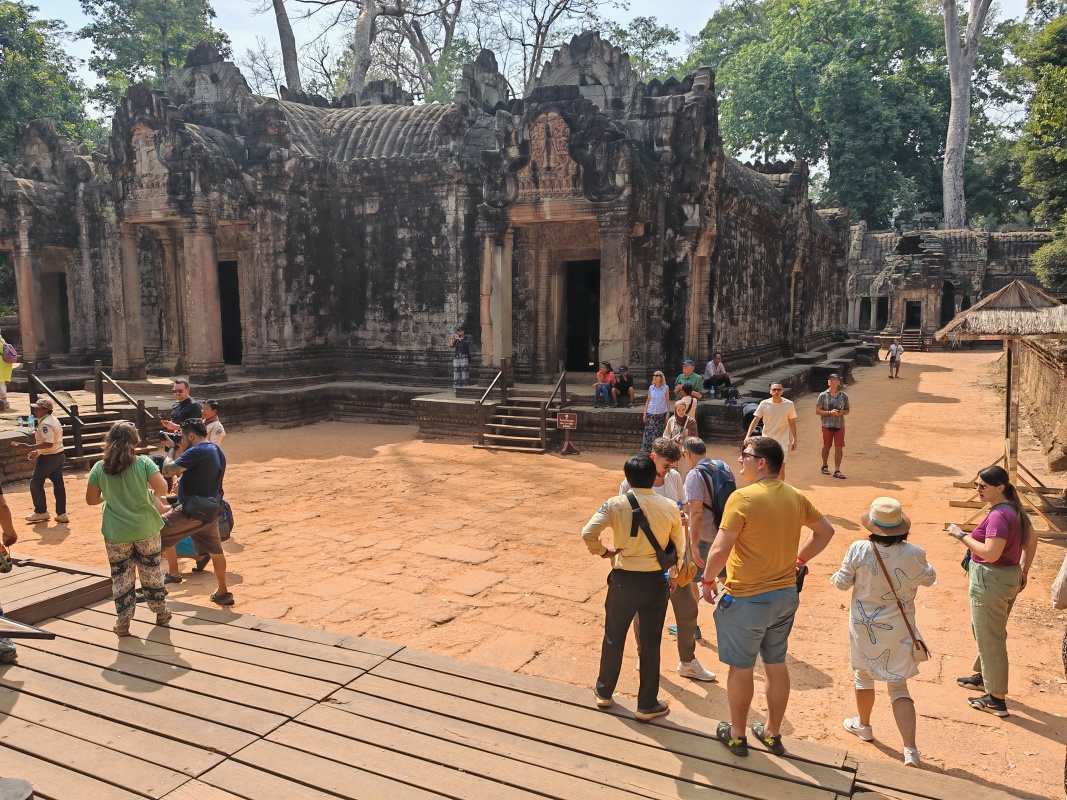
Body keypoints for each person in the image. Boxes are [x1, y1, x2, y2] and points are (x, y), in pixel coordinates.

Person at [700, 436, 834, 757]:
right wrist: (799, 560)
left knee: (741, 668)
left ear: (761, 463)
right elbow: (825, 532)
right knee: (776, 664)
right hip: (784, 595)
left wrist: (706, 579)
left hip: (747, 597)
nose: (740, 461)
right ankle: (772, 733)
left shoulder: (742, 498)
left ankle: (737, 734)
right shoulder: (795, 496)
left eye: (745, 456)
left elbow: (720, 548)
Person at [832, 497, 936, 767]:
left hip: (865, 629)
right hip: (900, 629)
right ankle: (910, 749)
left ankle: (864, 725)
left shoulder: (859, 549)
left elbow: (842, 584)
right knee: (898, 686)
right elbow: (929, 577)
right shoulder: (915, 553)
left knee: (863, 677)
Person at [584, 454, 685, 720]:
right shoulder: (669, 506)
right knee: (650, 643)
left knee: (613, 636)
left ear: (626, 478)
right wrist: (674, 576)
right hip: (654, 581)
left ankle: (604, 692)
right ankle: (647, 703)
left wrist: (603, 552)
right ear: (655, 477)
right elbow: (679, 548)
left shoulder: (615, 504)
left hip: (623, 579)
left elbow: (587, 533)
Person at [619, 438, 716, 682]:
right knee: (645, 613)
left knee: (688, 610)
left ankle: (688, 660)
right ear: (653, 457)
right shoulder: (629, 484)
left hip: (675, 555)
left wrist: (681, 518)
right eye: (665, 465)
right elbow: (624, 520)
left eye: (672, 465)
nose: (668, 470)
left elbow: (681, 505)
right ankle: (644, 655)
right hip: (647, 560)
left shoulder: (673, 478)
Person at [948, 464, 1037, 718]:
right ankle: (984, 676)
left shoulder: (999, 515)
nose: (978, 490)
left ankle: (996, 698)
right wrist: (1024, 570)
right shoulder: (1015, 510)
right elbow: (1032, 541)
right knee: (987, 630)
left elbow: (990, 552)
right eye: (976, 485)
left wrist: (960, 535)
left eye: (982, 486)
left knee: (990, 636)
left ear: (1000, 487)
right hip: (1007, 577)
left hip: (991, 579)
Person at [85, 422, 172, 636]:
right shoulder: (143, 463)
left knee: (121, 576)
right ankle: (161, 613)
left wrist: (111, 495)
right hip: (146, 527)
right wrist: (142, 491)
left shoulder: (99, 467)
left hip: (116, 531)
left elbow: (91, 500)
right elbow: (162, 489)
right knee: (151, 571)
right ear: (135, 442)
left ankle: (123, 622)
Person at [160, 419, 233, 606]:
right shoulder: (214, 450)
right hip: (210, 510)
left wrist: (170, 449)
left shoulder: (197, 451)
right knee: (216, 552)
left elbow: (168, 470)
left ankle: (153, 590)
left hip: (192, 511)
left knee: (154, 534)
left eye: (183, 437)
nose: (181, 440)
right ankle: (223, 592)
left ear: (191, 436)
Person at [16, 397, 68, 524]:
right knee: (58, 484)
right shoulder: (52, 419)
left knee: (36, 483)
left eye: (38, 408)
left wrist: (32, 447)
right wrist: (38, 451)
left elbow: (48, 443)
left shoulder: (45, 424)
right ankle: (61, 514)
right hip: (58, 454)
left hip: (49, 457)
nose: (35, 410)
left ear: (44, 410)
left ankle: (41, 511)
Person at [745, 384, 797, 479]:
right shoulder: (764, 404)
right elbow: (755, 421)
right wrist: (747, 435)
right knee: (765, 467)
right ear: (770, 391)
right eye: (774, 390)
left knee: (781, 468)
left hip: (782, 441)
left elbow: (792, 422)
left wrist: (795, 439)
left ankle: (780, 489)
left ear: (782, 391)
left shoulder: (789, 404)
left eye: (778, 390)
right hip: (767, 441)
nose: (776, 392)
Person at [816, 374, 850, 480]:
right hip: (827, 424)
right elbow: (817, 411)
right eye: (832, 380)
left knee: (839, 447)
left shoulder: (844, 396)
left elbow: (847, 410)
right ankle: (824, 465)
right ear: (828, 382)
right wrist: (830, 412)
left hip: (839, 425)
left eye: (836, 380)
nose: (834, 382)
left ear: (839, 382)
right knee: (827, 446)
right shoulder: (822, 395)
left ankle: (837, 470)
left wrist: (841, 413)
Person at [641, 371, 670, 452]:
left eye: (657, 375)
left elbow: (667, 401)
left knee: (658, 433)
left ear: (661, 377)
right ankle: (647, 451)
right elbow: (648, 400)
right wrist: (644, 413)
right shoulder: (651, 387)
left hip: (660, 414)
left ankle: (656, 451)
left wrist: (668, 413)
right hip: (650, 413)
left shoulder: (666, 387)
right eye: (654, 375)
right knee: (648, 433)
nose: (655, 376)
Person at [0, 330, 13, 411]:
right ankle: (4, 402)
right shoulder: (1, 339)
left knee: (1, 383)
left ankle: (3, 402)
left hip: (1, 363)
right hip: (4, 363)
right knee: (1, 382)